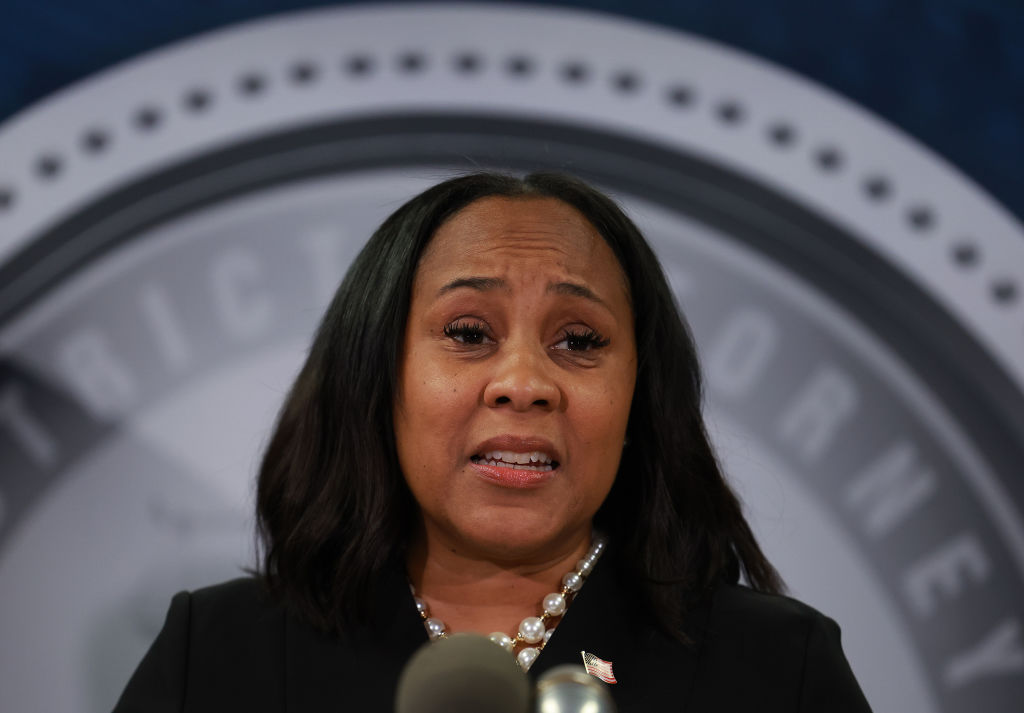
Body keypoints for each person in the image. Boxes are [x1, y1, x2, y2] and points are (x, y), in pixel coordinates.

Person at [114, 172, 872, 712]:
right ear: (378, 376)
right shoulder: (217, 651)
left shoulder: (777, 669)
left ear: (640, 397)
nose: (523, 381)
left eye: (579, 341)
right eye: (468, 333)